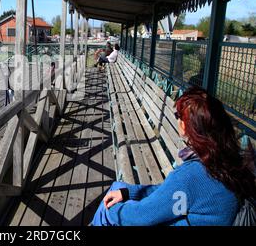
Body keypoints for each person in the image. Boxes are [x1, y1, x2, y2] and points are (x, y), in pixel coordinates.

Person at [91, 87, 256, 226]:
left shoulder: (193, 174)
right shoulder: (230, 159)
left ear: (187, 126)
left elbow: (142, 216)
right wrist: (129, 193)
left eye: (179, 116)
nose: (177, 119)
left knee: (107, 209)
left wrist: (111, 211)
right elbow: (173, 194)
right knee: (119, 187)